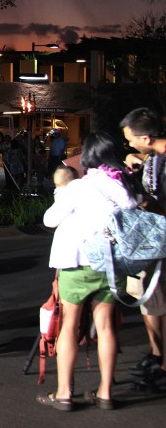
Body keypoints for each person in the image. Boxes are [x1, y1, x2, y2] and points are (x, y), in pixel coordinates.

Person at [37, 131, 141, 411]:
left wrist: (61, 193)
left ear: (88, 156)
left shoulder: (79, 187)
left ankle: (64, 394)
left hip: (77, 264)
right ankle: (106, 392)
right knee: (106, 327)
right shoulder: (124, 188)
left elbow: (50, 219)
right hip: (111, 265)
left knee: (69, 326)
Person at [120, 107, 166, 384]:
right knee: (150, 301)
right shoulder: (154, 157)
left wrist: (145, 203)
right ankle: (157, 355)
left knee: (158, 301)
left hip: (160, 241)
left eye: (131, 140)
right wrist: (135, 158)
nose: (129, 144)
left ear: (146, 137)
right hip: (153, 243)